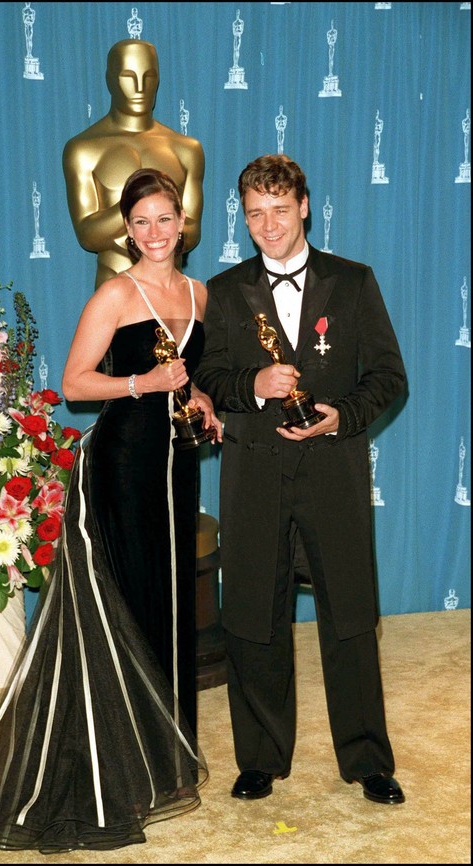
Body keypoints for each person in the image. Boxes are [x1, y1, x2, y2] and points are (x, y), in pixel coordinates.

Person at [0, 168, 221, 853]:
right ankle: (118, 766)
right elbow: (75, 384)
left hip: (177, 469)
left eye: (164, 218)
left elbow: (192, 381)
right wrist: (145, 381)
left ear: (182, 222)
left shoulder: (201, 294)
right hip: (120, 468)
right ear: (127, 231)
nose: (154, 232)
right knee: (125, 605)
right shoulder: (115, 293)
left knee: (170, 601)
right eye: (141, 222)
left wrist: (199, 399)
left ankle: (163, 757)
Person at [194, 153, 407, 807]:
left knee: (350, 616)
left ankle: (368, 760)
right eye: (255, 213)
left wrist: (344, 416)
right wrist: (254, 384)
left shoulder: (354, 282)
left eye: (280, 210)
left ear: (305, 207)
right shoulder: (224, 290)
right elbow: (208, 381)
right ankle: (260, 758)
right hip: (254, 475)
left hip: (334, 474)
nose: (269, 225)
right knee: (253, 617)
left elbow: (389, 378)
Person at [62, 39, 205, 289]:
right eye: (128, 76)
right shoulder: (83, 149)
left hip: (171, 289)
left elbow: (192, 231)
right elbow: (87, 234)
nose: (140, 87)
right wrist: (144, 203)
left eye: (148, 77)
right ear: (110, 80)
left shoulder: (187, 149)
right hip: (113, 285)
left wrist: (144, 217)